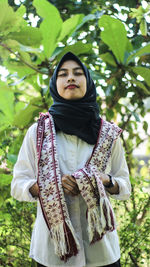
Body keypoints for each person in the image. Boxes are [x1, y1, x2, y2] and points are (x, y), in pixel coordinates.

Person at [11, 52, 131, 267]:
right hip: (52, 253)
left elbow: (125, 187)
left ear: (88, 82)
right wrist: (48, 187)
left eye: (78, 73)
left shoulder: (108, 134)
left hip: (101, 252)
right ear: (55, 83)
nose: (71, 78)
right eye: (63, 74)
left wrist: (104, 180)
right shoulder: (37, 132)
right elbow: (18, 184)